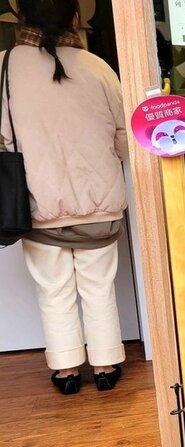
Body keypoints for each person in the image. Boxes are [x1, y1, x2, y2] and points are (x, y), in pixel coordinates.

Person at [0, 0, 129, 394]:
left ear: (21, 16)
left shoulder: (4, 66)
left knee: (53, 290)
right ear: (75, 18)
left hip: (38, 204)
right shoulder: (98, 67)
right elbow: (124, 139)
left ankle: (66, 370)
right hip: (100, 205)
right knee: (99, 286)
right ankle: (105, 364)